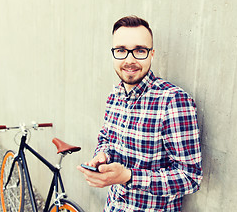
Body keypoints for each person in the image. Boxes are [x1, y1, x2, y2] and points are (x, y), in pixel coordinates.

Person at [77, 15, 202, 211]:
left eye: (139, 51)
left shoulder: (173, 101)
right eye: (121, 50)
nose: (129, 59)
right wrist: (102, 155)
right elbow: (106, 139)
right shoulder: (115, 96)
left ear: (152, 54)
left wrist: (129, 176)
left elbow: (190, 177)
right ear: (113, 54)